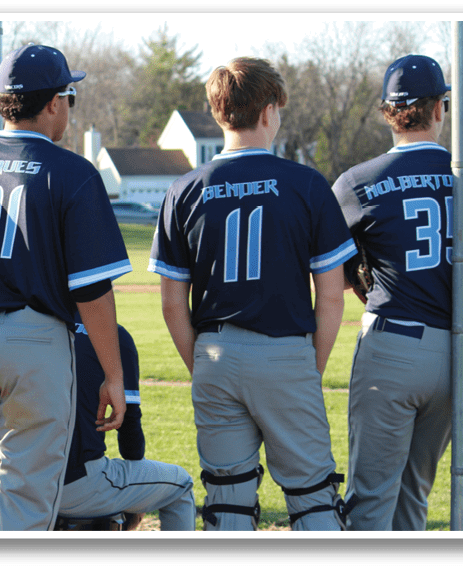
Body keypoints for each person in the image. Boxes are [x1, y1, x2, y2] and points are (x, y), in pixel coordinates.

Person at [0, 44, 132, 531]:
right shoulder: (73, 171)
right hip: (33, 342)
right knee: (28, 500)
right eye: (69, 97)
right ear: (54, 102)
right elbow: (91, 290)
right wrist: (113, 374)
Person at [148, 57, 358, 531]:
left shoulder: (184, 189)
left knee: (228, 504)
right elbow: (330, 297)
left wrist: (200, 361)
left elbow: (170, 301)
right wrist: (311, 366)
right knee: (314, 498)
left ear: (219, 112)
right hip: (285, 351)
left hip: (216, 352)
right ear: (268, 112)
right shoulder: (305, 183)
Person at [331, 54, 454, 531]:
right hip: (459, 350)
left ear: (388, 111)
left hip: (393, 343)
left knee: (368, 503)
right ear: (439, 108)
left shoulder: (359, 181)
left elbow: (331, 275)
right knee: (413, 500)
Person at [58, 317, 196, 530]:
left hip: (12, 479)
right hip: (74, 482)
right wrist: (136, 500)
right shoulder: (112, 335)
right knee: (181, 485)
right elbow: (129, 428)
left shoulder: (34, 327)